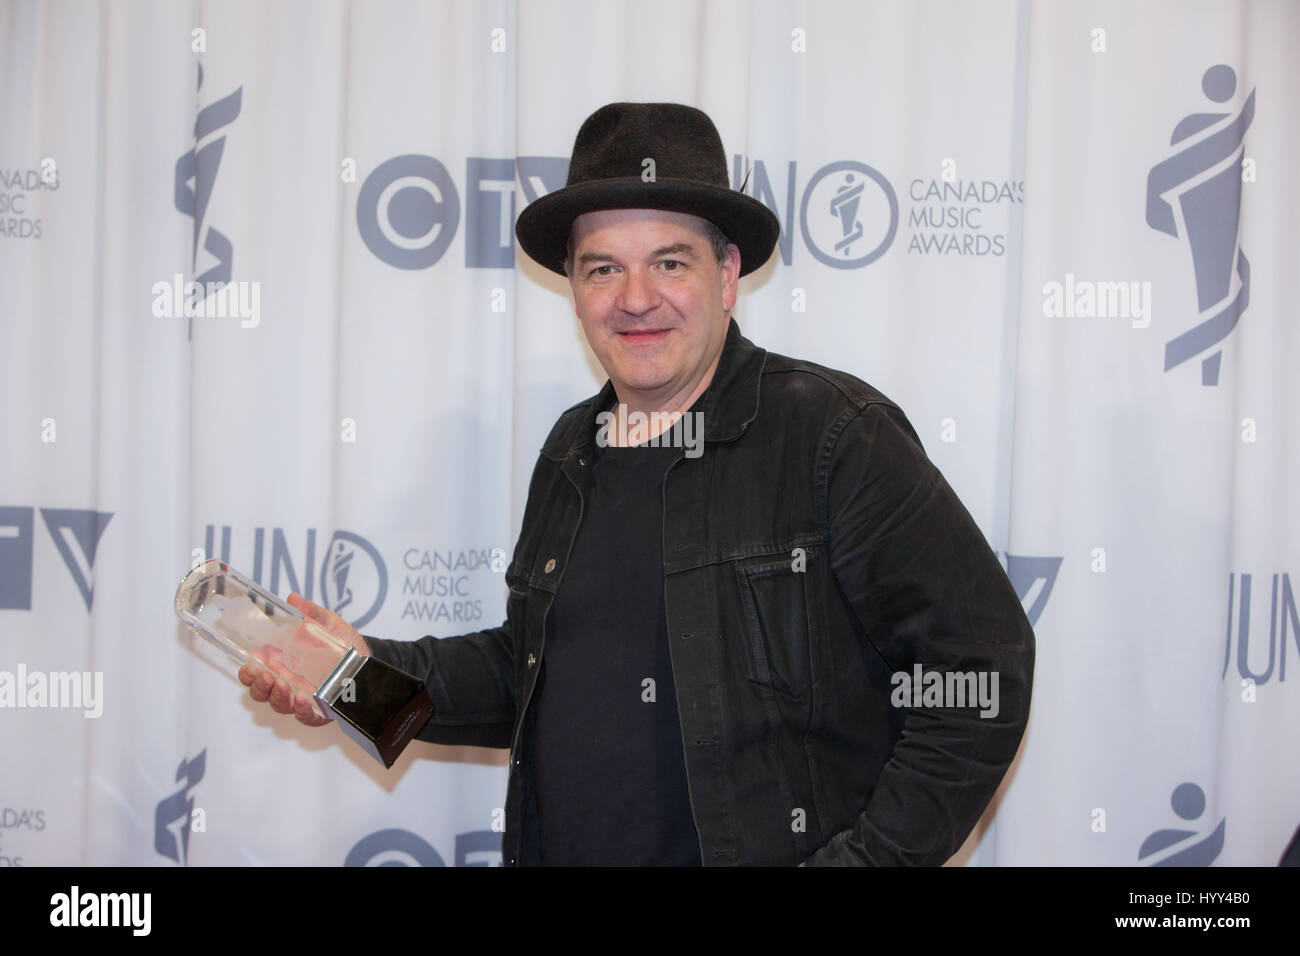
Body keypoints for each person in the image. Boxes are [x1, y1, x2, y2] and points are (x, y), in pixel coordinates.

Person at [240, 102, 1035, 866]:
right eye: (603, 269)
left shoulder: (831, 435)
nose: (635, 299)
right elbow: (532, 669)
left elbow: (980, 677)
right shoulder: (570, 451)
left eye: (669, 262)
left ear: (727, 276)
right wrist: (357, 673)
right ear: (575, 291)